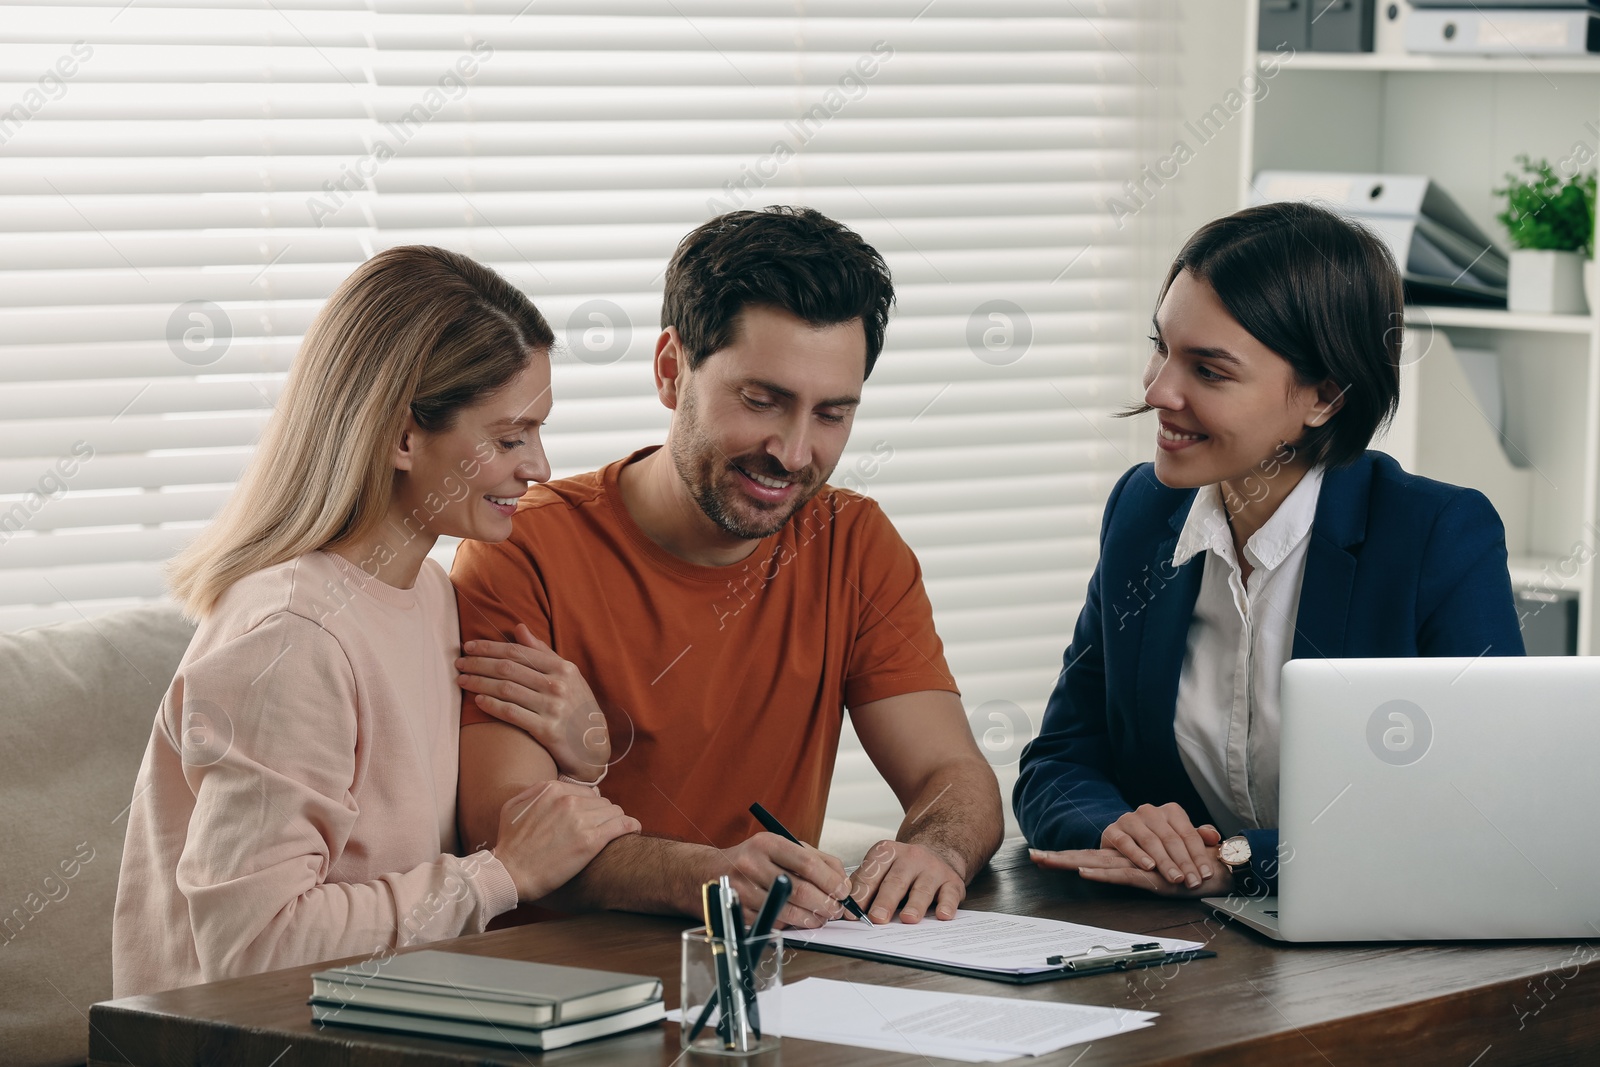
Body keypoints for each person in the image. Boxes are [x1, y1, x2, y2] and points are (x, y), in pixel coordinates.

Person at [452, 206, 1004, 931]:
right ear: (671, 371)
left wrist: (934, 850)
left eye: (832, 413)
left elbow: (955, 777)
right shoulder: (522, 546)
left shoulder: (855, 545)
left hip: (769, 984)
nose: (795, 452)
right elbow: (506, 832)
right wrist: (705, 876)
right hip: (568, 995)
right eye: (762, 400)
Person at [112, 246, 639, 997]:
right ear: (402, 437)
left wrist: (580, 746)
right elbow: (254, 949)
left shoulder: (428, 592)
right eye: (510, 437)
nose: (541, 467)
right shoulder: (293, 635)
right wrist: (500, 875)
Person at [1015, 202, 1524, 898]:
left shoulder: (1437, 537)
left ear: (1323, 395)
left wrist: (1237, 861)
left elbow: (1482, 806)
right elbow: (1060, 757)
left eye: (1209, 370)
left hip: (1381, 952)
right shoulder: (1143, 510)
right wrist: (1120, 830)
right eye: (1160, 347)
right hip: (1187, 947)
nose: (1158, 388)